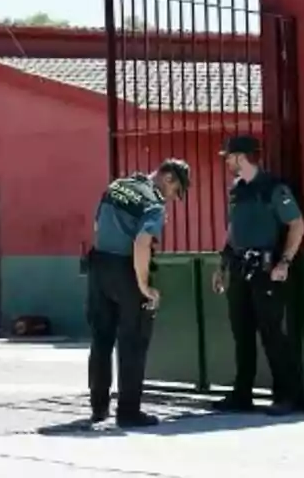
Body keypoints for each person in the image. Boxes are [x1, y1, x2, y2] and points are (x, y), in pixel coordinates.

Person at [86, 159, 190, 427]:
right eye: (176, 189)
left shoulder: (117, 185)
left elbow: (97, 225)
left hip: (98, 265)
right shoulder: (153, 203)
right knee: (132, 342)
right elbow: (142, 243)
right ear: (167, 178)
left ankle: (98, 407)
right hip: (126, 269)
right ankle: (129, 411)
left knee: (101, 339)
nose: (173, 197)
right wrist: (144, 285)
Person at [211, 135, 304, 416]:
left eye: (229, 156)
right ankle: (242, 394)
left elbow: (297, 225)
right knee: (242, 333)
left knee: (272, 333)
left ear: (241, 157)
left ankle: (287, 395)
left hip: (266, 270)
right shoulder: (238, 189)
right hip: (240, 267)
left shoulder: (274, 188)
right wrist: (222, 265)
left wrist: (285, 262)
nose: (227, 161)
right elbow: (233, 230)